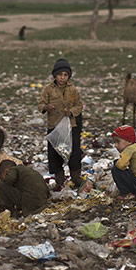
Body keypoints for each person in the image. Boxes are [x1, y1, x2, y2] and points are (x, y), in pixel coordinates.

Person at [38, 58, 84, 188]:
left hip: (71, 125)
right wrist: (46, 107)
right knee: (55, 151)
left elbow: (79, 105)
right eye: (60, 75)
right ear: (55, 75)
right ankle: (59, 177)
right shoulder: (48, 89)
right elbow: (40, 104)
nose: (62, 78)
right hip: (54, 125)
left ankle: (76, 176)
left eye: (65, 75)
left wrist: (71, 112)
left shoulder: (73, 89)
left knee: (74, 151)